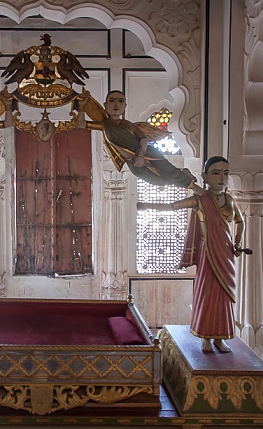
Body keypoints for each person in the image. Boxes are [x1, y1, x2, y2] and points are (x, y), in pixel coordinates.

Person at [138, 156, 244, 353]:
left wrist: (237, 243)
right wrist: (147, 206)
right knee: (207, 293)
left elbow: (240, 222)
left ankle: (220, 339)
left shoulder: (229, 200)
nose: (221, 178)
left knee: (224, 296)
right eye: (215, 173)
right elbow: (173, 206)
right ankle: (205, 336)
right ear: (205, 176)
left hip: (226, 254)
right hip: (208, 253)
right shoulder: (200, 200)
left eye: (225, 173)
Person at [76, 89, 203, 192]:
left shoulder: (126, 124)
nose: (116, 104)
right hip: (131, 162)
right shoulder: (104, 125)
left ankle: (196, 189)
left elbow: (143, 139)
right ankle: (184, 174)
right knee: (156, 180)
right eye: (112, 101)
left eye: (120, 101)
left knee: (170, 172)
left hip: (148, 154)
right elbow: (81, 124)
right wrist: (81, 107)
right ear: (105, 105)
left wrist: (141, 156)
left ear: (125, 106)